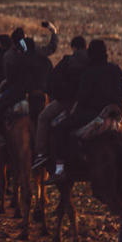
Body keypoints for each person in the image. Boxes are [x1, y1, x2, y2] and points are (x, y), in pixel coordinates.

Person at [49, 39, 122, 181]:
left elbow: (82, 97)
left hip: (92, 114)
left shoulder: (89, 73)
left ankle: (60, 169)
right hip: (115, 114)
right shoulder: (115, 69)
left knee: (60, 128)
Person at [32, 36, 88, 169]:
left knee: (43, 118)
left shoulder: (68, 61)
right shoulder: (95, 60)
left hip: (68, 102)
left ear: (73, 48)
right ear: (86, 47)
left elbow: (53, 81)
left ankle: (41, 154)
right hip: (92, 104)